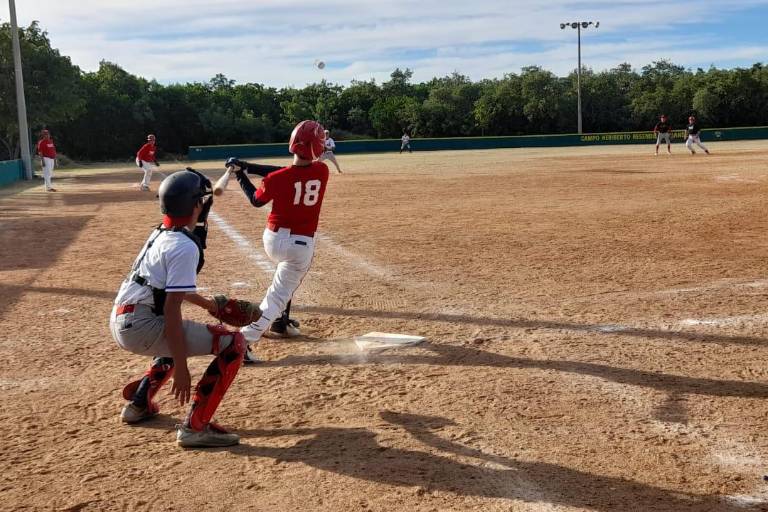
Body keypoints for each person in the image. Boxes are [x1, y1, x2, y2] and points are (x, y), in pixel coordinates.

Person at [109, 169, 247, 447]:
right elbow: (172, 308)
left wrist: (208, 305)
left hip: (123, 320)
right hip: (142, 326)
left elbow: (168, 291)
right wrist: (182, 368)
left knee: (174, 334)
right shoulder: (184, 246)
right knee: (234, 343)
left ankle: (139, 405)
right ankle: (195, 428)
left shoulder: (161, 233)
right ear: (195, 205)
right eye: (202, 200)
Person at [227, 120, 330, 364]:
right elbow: (287, 172)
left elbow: (257, 199)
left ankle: (280, 323)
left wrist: (243, 173)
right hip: (299, 245)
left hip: (273, 240)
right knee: (277, 295)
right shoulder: (322, 171)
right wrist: (248, 167)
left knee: (284, 281)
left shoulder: (278, 179)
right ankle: (241, 343)